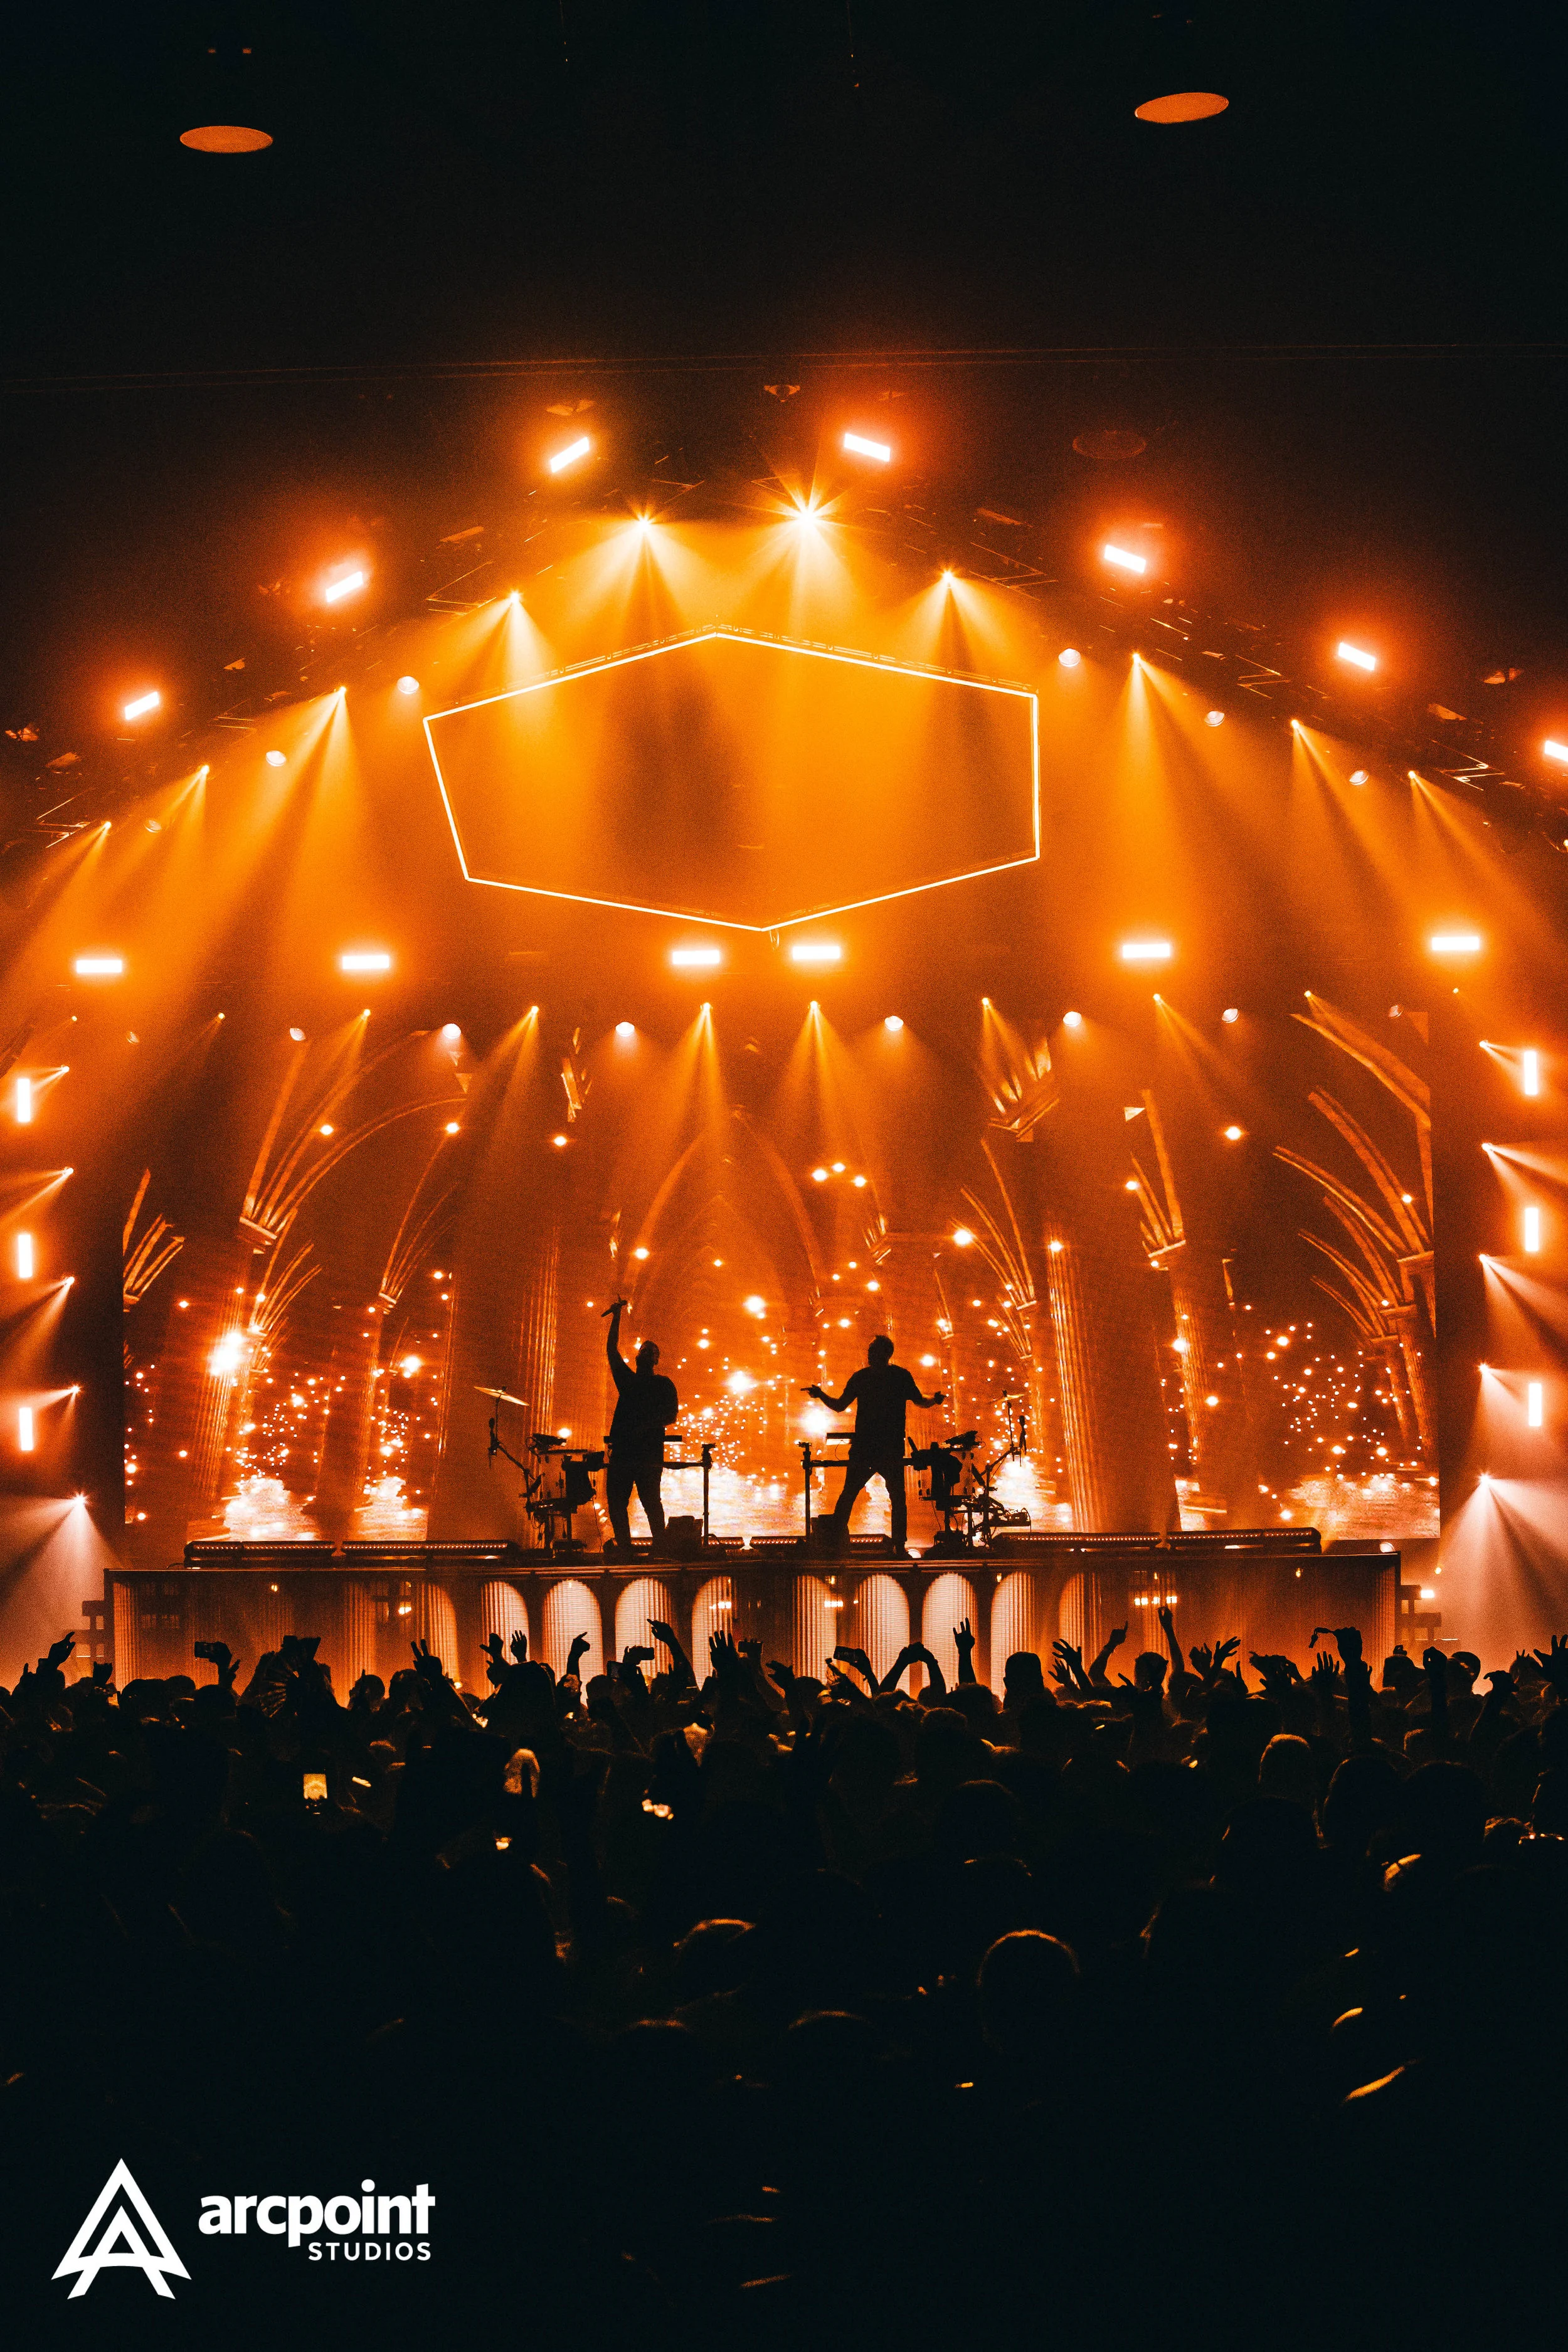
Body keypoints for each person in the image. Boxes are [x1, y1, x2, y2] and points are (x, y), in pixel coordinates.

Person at [807, 1332, 945, 1555]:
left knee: (849, 1494)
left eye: (872, 1351)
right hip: (891, 1446)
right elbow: (920, 1401)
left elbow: (840, 1406)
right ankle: (900, 1547)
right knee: (898, 1498)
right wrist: (935, 1401)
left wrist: (821, 1395)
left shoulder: (861, 1378)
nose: (869, 1355)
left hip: (864, 1446)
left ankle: (834, 1545)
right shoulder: (901, 1376)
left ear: (880, 1354)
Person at [603, 1297, 679, 1554]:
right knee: (617, 1502)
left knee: (650, 1503)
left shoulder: (663, 1384)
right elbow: (612, 1351)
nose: (645, 1354)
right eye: (643, 1351)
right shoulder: (629, 1380)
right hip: (631, 1453)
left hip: (643, 1454)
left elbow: (671, 1415)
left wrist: (643, 1427)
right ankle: (627, 1547)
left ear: (656, 1361)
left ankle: (660, 1548)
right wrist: (617, 1317)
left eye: (650, 1352)